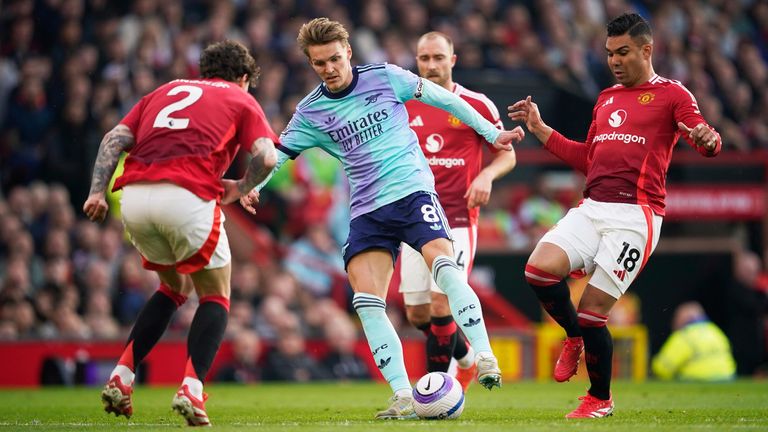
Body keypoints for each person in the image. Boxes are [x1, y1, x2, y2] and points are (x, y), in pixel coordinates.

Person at [252, 17, 524, 419]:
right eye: (319, 63)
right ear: (311, 64)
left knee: (445, 271)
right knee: (368, 302)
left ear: (348, 52)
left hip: (413, 193)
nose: (329, 68)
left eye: (334, 59)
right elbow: (281, 151)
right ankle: (401, 395)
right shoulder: (311, 111)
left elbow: (444, 98)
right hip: (367, 210)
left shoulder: (385, 77)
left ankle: (485, 356)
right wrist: (254, 184)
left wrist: (490, 133)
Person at [508, 13, 721, 418]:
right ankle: (573, 338)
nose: (615, 61)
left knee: (592, 311)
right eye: (609, 54)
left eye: (623, 52)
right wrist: (540, 129)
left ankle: (599, 399)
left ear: (647, 50)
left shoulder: (673, 95)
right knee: (538, 269)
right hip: (593, 206)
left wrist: (708, 139)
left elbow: (706, 137)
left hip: (635, 215)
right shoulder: (606, 98)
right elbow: (588, 158)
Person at [82, 40, 278, 426]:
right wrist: (239, 188)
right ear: (243, 78)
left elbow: (113, 140)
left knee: (174, 288)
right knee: (216, 295)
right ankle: (191, 387)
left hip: (134, 198)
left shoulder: (163, 91)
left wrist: (95, 192)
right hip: (186, 199)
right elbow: (267, 155)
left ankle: (121, 377)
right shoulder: (240, 99)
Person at [396, 31, 517, 391]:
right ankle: (464, 358)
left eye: (438, 57)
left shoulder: (477, 105)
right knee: (417, 314)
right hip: (414, 218)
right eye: (424, 59)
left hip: (458, 219)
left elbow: (505, 153)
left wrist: (486, 176)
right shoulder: (403, 104)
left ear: (453, 59)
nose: (431, 65)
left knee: (439, 302)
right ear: (416, 62)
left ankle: (436, 391)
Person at [651, 302, 735, 381]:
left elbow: (662, 369)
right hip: (728, 378)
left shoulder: (684, 336)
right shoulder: (715, 331)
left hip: (696, 380)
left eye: (677, 317)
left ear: (683, 319)